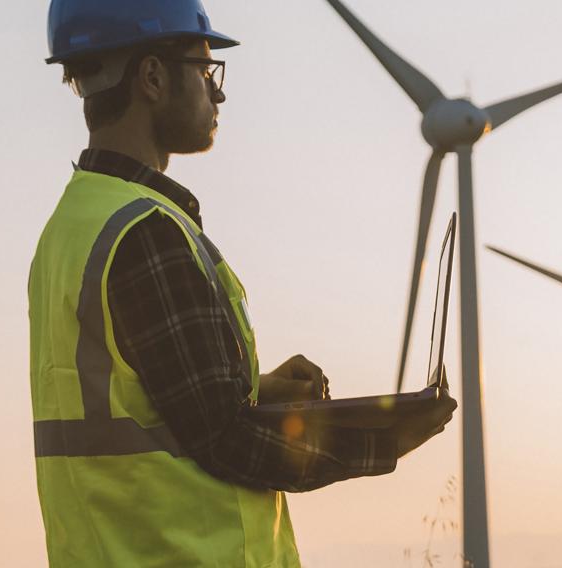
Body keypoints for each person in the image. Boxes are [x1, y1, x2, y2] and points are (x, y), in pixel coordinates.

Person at [30, 1, 457, 566]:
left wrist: (252, 387)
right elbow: (225, 441)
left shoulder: (72, 227)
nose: (219, 94)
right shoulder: (146, 234)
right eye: (206, 71)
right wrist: (383, 440)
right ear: (152, 77)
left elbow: (141, 403)